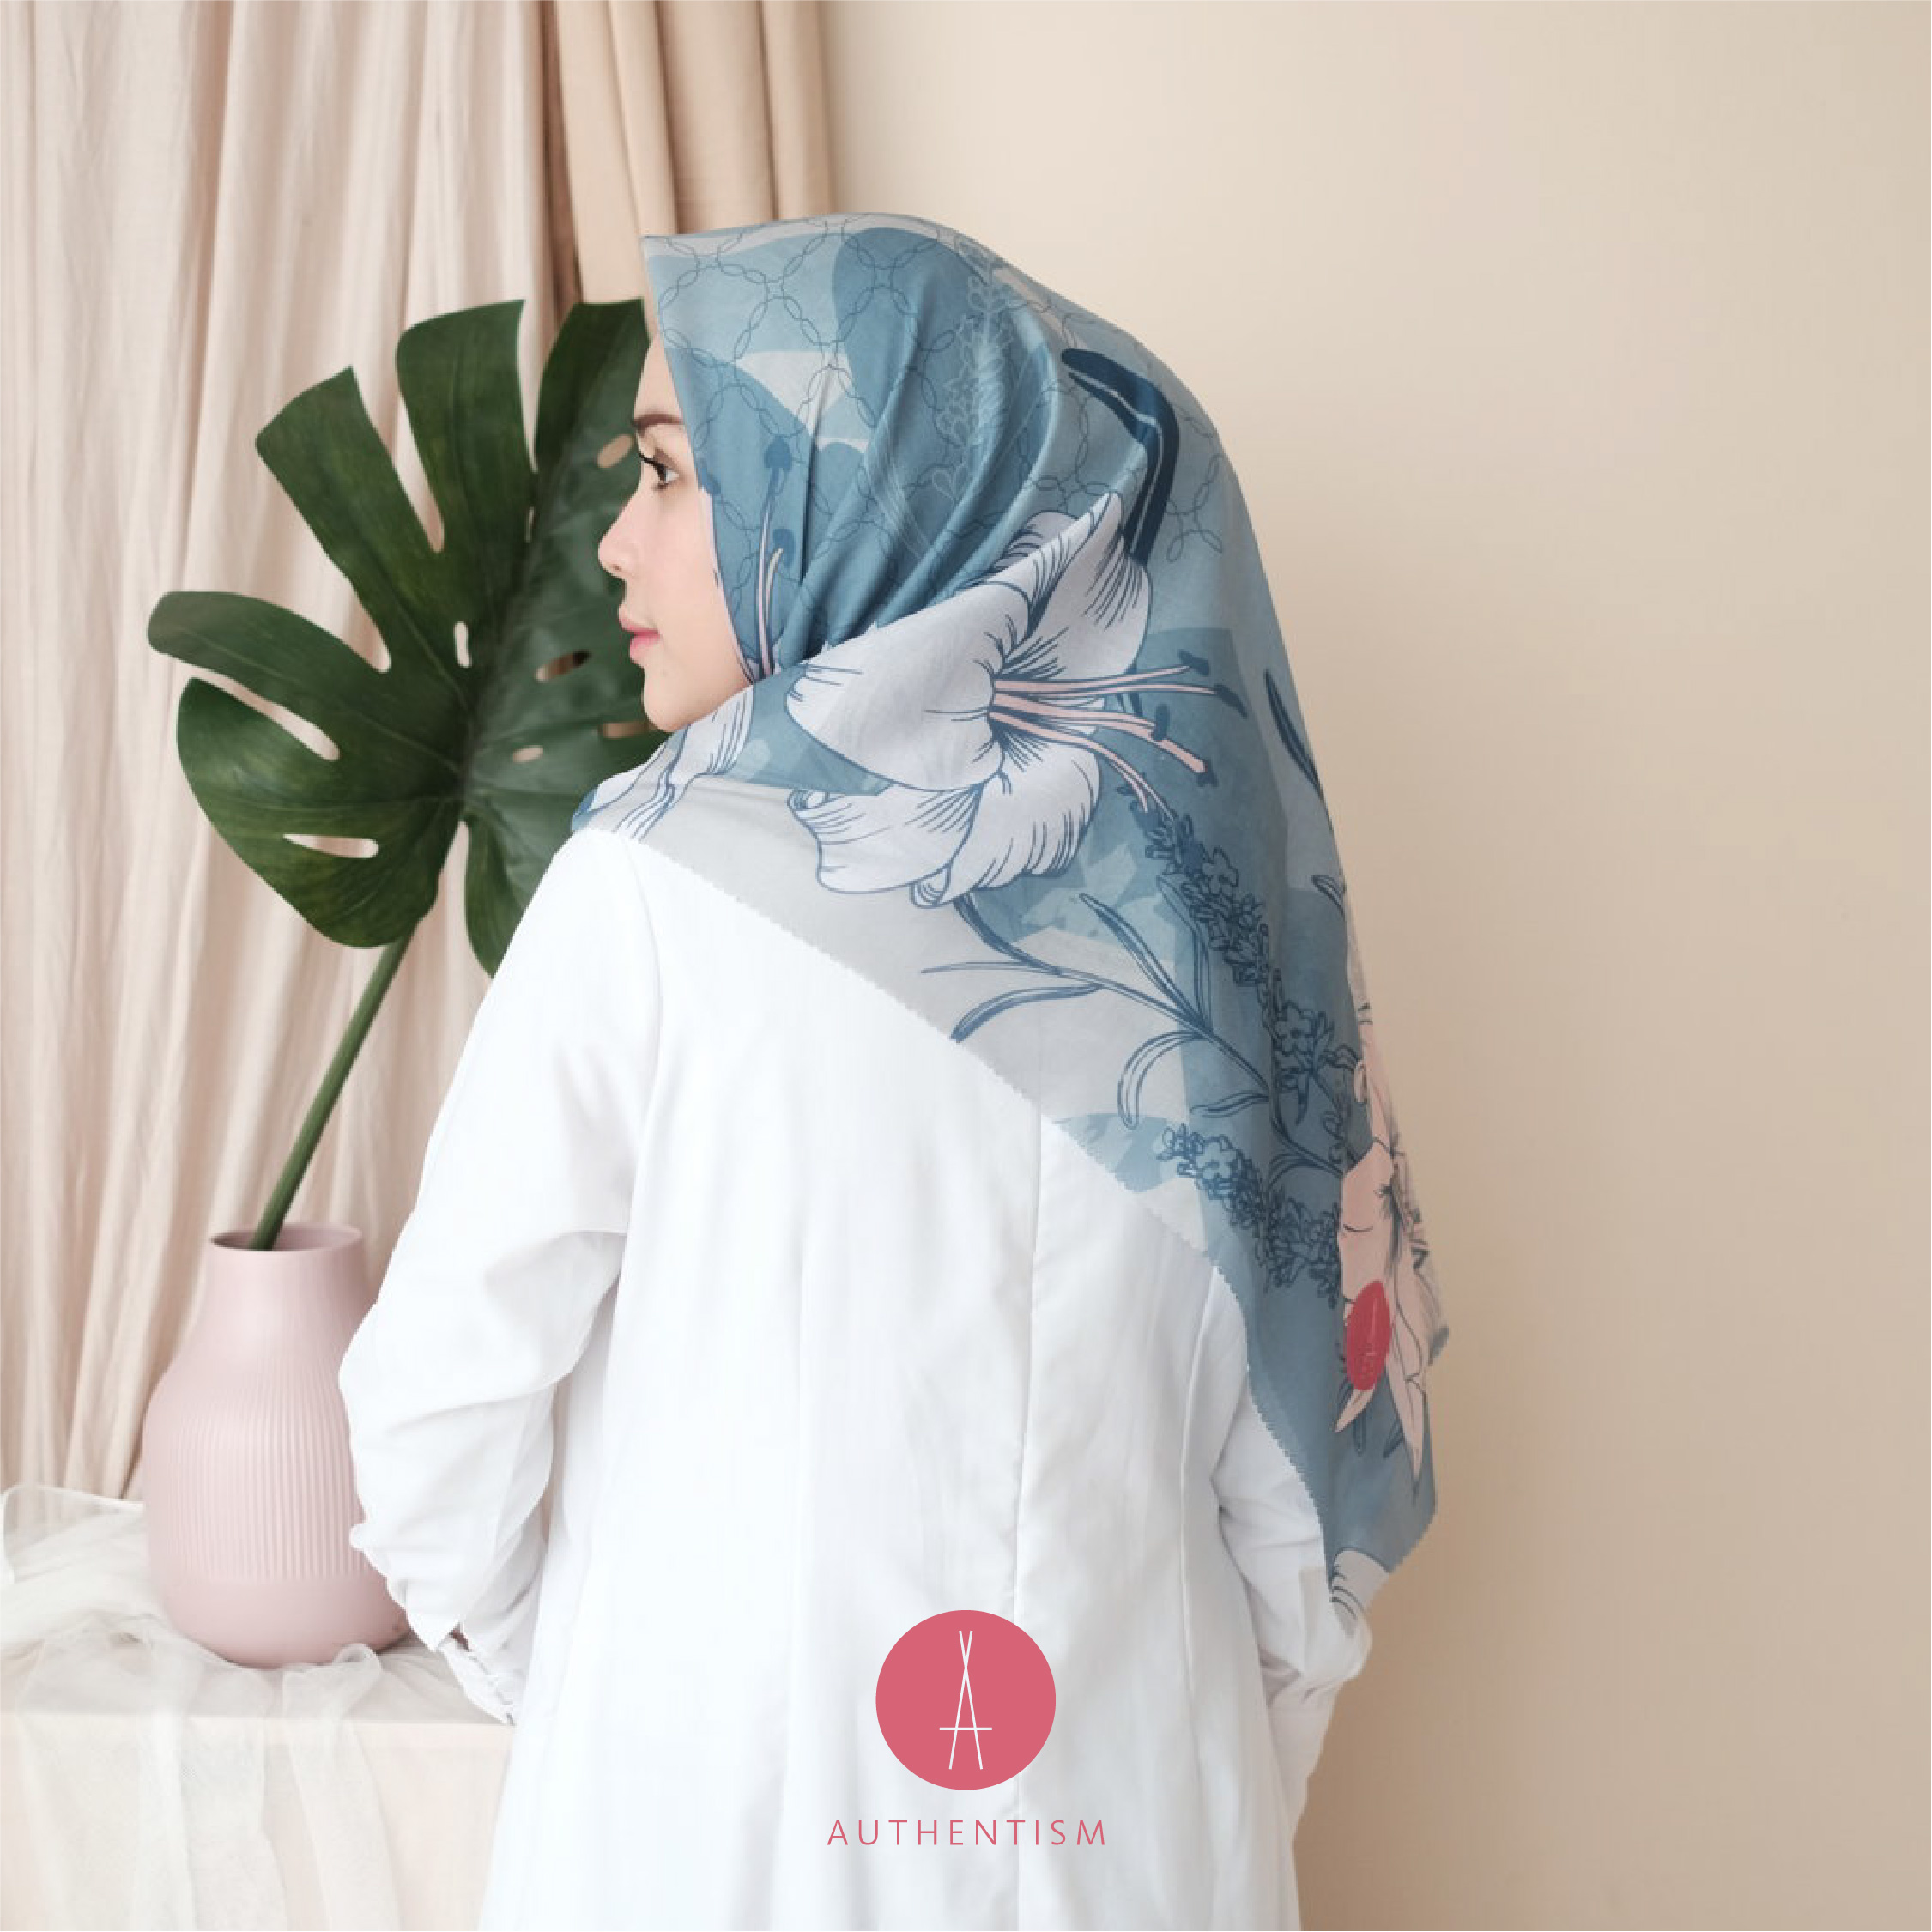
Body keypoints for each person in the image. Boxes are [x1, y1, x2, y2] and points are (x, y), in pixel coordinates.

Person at [337, 211, 1450, 1932]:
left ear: (866, 494)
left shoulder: (647, 895)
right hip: (1135, 1832)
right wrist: (1189, 1766)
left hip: (708, 1837)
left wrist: (636, 1697)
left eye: (669, 470)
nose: (619, 540)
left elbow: (436, 1418)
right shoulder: (1226, 952)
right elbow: (1305, 1508)